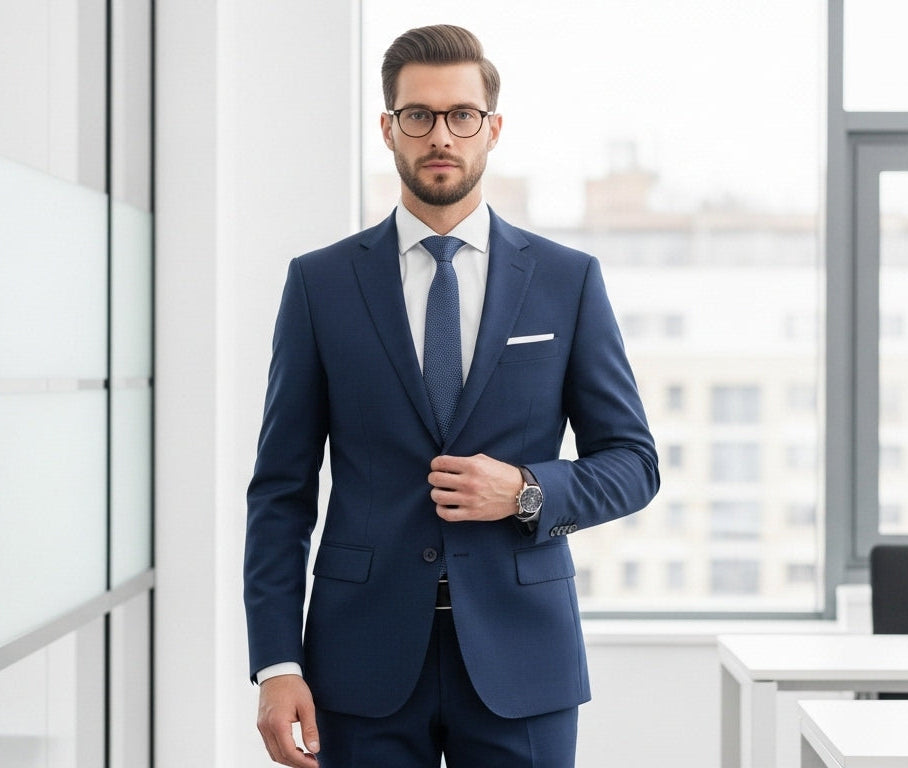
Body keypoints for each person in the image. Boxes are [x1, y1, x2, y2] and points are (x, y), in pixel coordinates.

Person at [244, 24, 659, 768]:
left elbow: (633, 463)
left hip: (522, 657)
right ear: (388, 128)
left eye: (461, 115)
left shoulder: (567, 281)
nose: (441, 136)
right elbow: (280, 491)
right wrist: (277, 665)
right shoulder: (320, 284)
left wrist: (527, 490)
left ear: (491, 129)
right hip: (359, 660)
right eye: (419, 116)